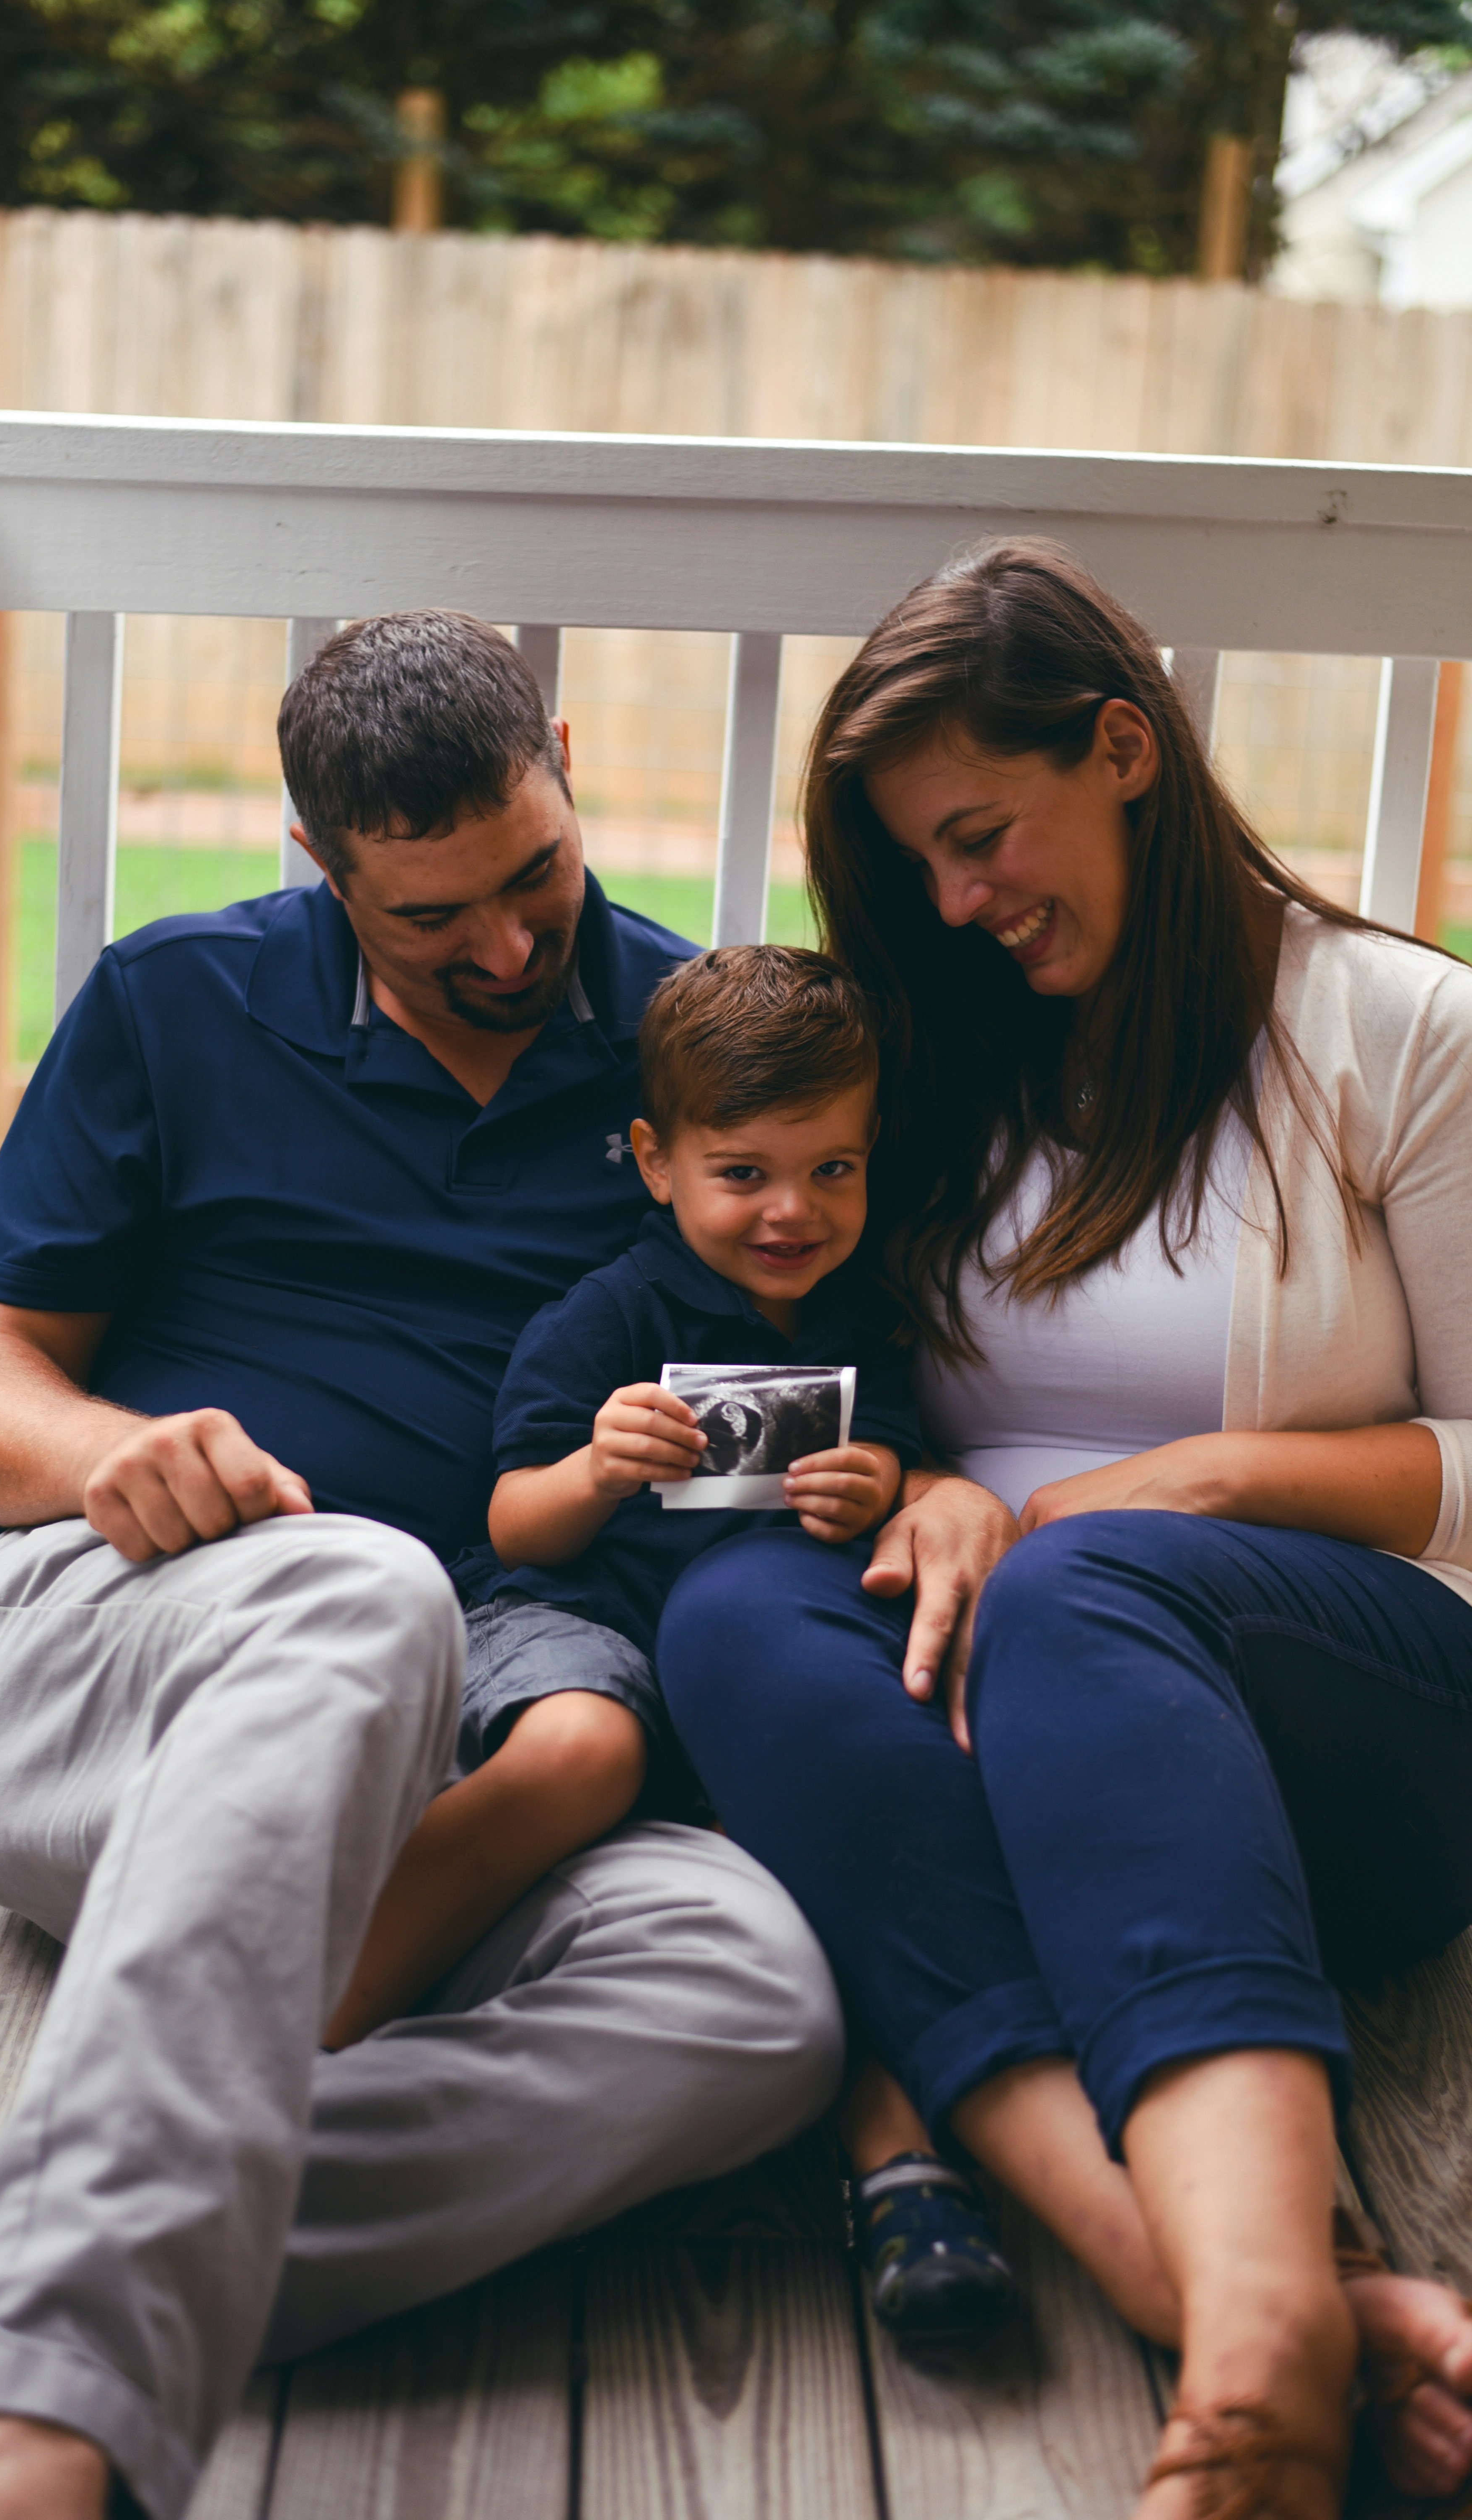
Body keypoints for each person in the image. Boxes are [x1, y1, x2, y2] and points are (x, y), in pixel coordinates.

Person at [0, 613, 846, 2520]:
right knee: (366, 1586)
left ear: (571, 767)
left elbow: (817, 1376)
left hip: (488, 1742)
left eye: (535, 874)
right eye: (433, 914)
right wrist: (116, 1452)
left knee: (753, 1994)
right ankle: (47, 2411)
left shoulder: (693, 1054)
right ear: (322, 869)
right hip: (139, 1673)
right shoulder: (173, 1001)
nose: (512, 947)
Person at [657, 540, 1472, 2518]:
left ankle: (1258, 2355)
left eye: (978, 834)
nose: (953, 902)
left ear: (1120, 748)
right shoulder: (928, 1062)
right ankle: (1234, 2296)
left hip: (1339, 1713)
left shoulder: (1393, 1031)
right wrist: (940, 1495)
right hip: (994, 1713)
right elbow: (890, 1401)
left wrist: (1167, 1487)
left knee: (1090, 1587)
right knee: (733, 1611)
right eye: (917, 863)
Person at [338, 942, 1015, 2339]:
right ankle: (316, 2010)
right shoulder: (615, 1317)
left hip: (759, 1677)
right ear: (656, 1161)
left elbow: (898, 1453)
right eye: (746, 1171)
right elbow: (514, 1524)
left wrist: (879, 1481)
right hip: (579, 1622)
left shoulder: (864, 1322)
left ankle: (904, 2177)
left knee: (839, 1866)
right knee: (582, 1746)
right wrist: (596, 1468)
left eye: (832, 1170)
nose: (792, 1210)